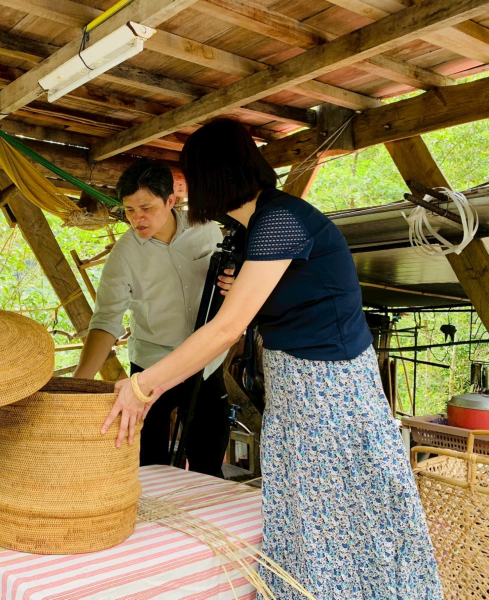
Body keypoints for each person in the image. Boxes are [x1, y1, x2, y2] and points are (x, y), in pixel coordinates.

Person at [103, 120, 443, 599]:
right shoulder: (254, 228)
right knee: (306, 509)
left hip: (331, 387)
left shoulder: (280, 217)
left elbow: (225, 328)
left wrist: (144, 385)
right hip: (297, 386)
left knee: (343, 509)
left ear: (212, 176)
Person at [74, 158, 232, 476]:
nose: (137, 219)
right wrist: (79, 384)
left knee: (209, 461)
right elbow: (106, 320)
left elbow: (233, 281)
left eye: (146, 207)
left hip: (206, 363)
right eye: (130, 210)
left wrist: (235, 280)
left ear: (171, 201)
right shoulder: (124, 255)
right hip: (151, 367)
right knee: (147, 465)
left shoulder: (208, 229)